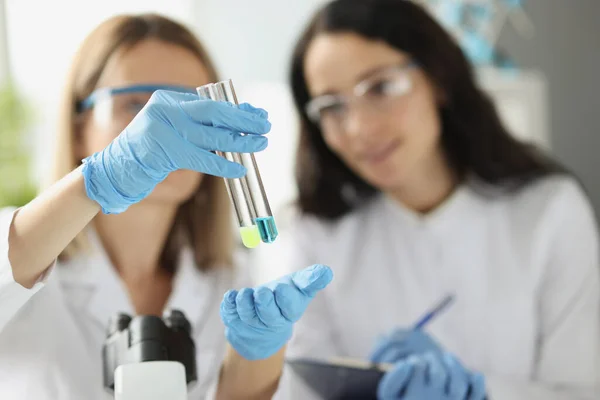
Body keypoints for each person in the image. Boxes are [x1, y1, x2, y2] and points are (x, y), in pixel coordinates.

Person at [270, 0, 600, 399]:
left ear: (438, 79)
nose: (359, 128)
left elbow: (582, 390)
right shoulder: (316, 232)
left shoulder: (549, 210)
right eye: (332, 106)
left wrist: (478, 392)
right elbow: (302, 389)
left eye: (380, 87)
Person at [0, 14, 332, 400]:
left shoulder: (230, 282)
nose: (170, 127)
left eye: (191, 108)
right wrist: (98, 180)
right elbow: (14, 256)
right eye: (134, 105)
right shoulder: (25, 256)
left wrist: (257, 358)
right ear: (78, 129)